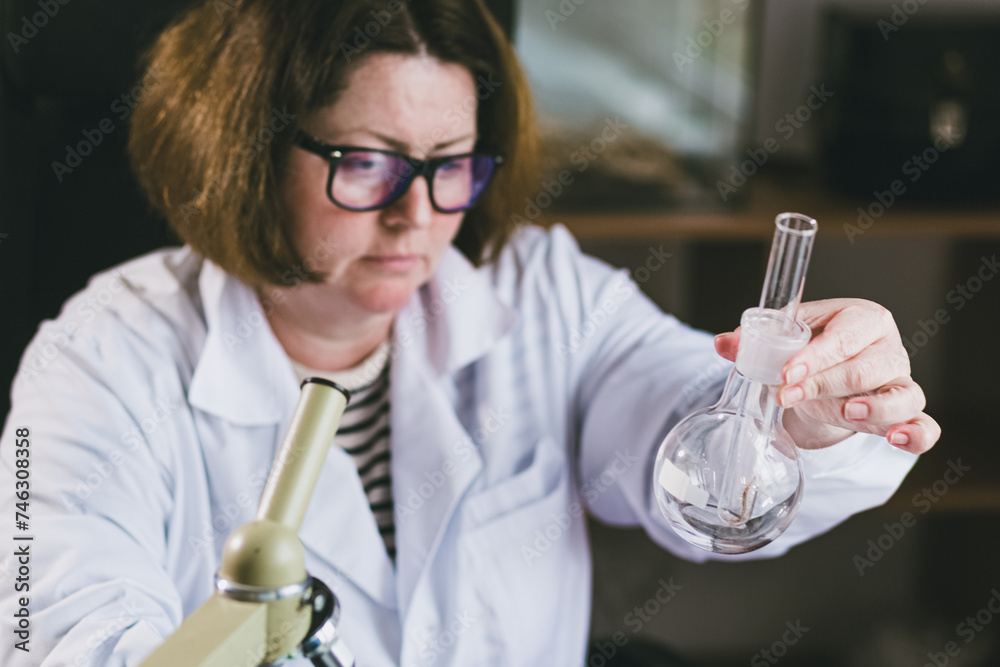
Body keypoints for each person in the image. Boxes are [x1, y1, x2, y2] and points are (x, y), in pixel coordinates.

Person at [0, 0, 940, 665]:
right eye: (367, 164)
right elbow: (58, 625)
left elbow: (695, 451)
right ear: (241, 150)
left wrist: (793, 418)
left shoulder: (543, 293)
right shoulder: (97, 362)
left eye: (451, 164)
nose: (419, 217)